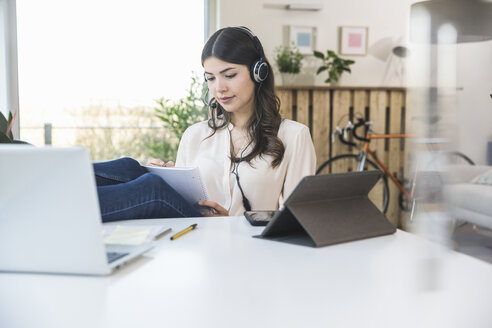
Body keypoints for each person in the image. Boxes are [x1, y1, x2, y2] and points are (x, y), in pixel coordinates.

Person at [94, 26, 316, 221]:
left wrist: (231, 224)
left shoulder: (293, 136)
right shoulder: (195, 134)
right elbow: (183, 204)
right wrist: (168, 178)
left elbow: (297, 221)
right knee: (132, 169)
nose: (219, 88)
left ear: (259, 73)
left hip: (249, 248)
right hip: (197, 237)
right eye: (210, 78)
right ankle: (65, 182)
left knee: (152, 189)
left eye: (229, 75)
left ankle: (63, 198)